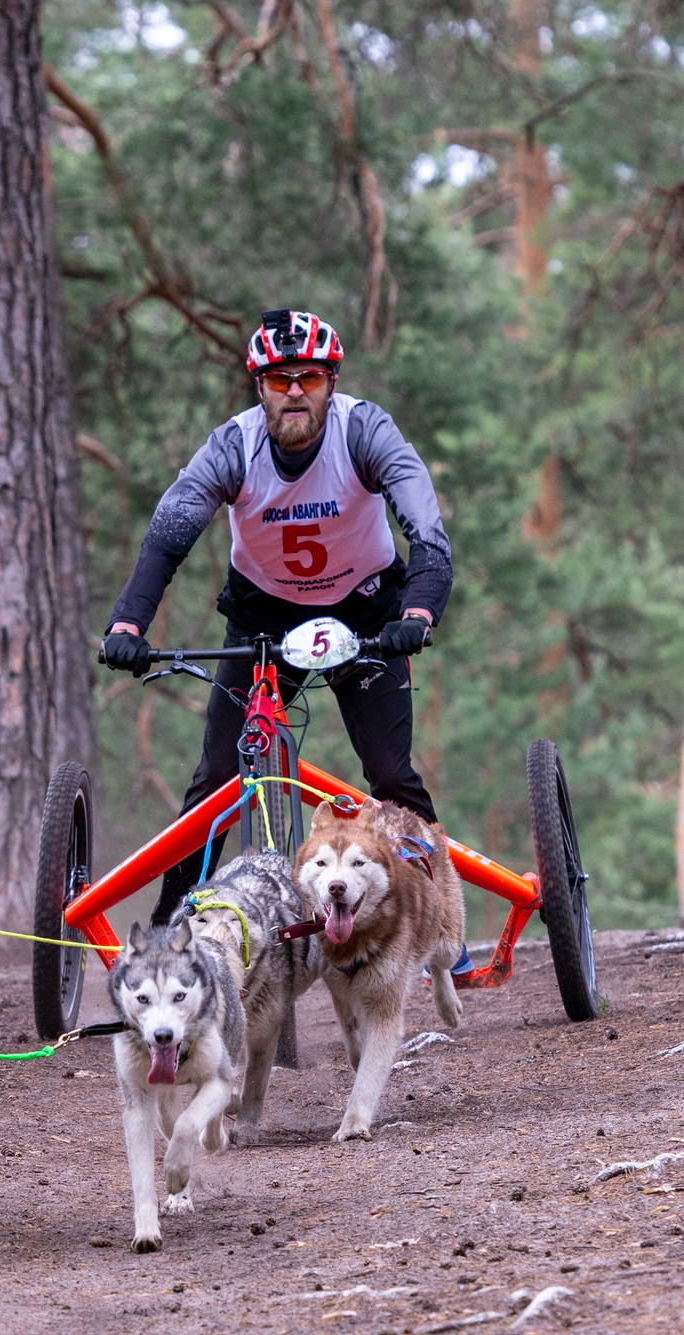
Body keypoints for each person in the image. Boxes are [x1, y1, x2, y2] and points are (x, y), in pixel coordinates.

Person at [101, 308, 452, 926]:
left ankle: (433, 921)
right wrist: (129, 625)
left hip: (366, 612)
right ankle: (169, 926)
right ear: (258, 385)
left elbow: (426, 528)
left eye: (309, 378)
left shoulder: (366, 433)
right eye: (279, 378)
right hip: (265, 619)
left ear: (331, 384)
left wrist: (418, 611)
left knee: (391, 776)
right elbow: (167, 537)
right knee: (215, 777)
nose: (295, 391)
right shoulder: (232, 448)